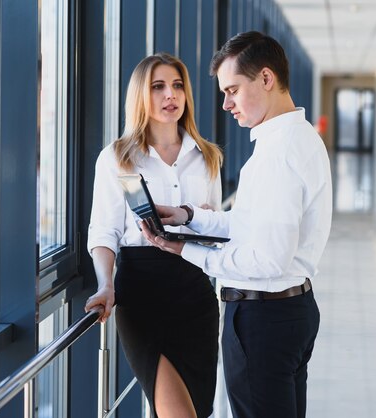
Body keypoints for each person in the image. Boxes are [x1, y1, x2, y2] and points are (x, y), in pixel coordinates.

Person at [141, 31, 332, 418]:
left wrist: (185, 250)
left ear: (266, 78)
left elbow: (268, 261)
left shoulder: (278, 154)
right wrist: (190, 217)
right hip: (290, 311)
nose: (226, 104)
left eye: (232, 90)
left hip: (264, 319)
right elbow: (253, 224)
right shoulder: (298, 138)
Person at [84, 52, 224, 418]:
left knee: (198, 410)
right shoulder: (116, 158)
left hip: (195, 293)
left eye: (177, 86)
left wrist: (202, 220)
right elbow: (104, 230)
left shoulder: (207, 157)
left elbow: (220, 230)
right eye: (158, 86)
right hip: (142, 296)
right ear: (141, 96)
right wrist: (105, 284)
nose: (170, 95)